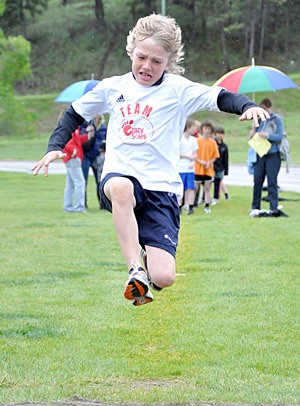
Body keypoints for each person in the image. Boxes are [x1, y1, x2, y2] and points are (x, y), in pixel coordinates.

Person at [32, 13, 269, 307]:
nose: (147, 66)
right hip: (121, 178)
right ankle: (135, 270)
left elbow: (218, 97)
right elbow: (74, 113)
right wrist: (55, 145)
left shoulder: (178, 90)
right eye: (142, 57)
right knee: (121, 187)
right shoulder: (112, 87)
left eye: (156, 61)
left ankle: (148, 266)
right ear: (132, 51)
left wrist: (247, 105)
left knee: (165, 277)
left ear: (168, 62)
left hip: (162, 189)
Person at [249, 98, 287, 218]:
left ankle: (273, 207)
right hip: (261, 154)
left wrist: (267, 135)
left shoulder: (276, 119)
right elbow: (254, 138)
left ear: (269, 108)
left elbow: (280, 136)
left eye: (265, 109)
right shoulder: (259, 121)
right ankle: (255, 207)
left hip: (273, 154)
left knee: (272, 182)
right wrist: (252, 134)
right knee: (257, 181)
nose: (263, 112)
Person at [62, 126, 90, 212]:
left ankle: (68, 206)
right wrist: (73, 150)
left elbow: (77, 141)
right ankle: (79, 207)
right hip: (73, 158)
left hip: (71, 158)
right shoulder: (70, 127)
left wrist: (86, 136)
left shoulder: (75, 128)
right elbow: (67, 141)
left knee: (70, 184)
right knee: (80, 183)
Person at [194, 120, 219, 214]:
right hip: (198, 168)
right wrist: (200, 161)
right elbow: (193, 154)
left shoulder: (213, 142)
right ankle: (191, 205)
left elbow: (215, 155)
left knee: (207, 188)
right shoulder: (197, 141)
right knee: (195, 188)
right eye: (205, 129)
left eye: (209, 129)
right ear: (202, 129)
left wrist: (209, 162)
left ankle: (207, 206)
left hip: (208, 169)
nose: (207, 131)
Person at [177, 118, 198, 215]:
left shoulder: (194, 140)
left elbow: (196, 153)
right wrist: (188, 156)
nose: (195, 129)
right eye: (194, 127)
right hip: (180, 167)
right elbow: (177, 153)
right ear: (188, 127)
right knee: (181, 188)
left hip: (190, 169)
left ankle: (190, 206)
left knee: (190, 187)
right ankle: (179, 206)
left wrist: (193, 162)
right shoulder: (179, 138)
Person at [212, 126, 229, 204]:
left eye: (221, 133)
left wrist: (226, 171)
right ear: (215, 134)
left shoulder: (224, 146)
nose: (220, 135)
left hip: (219, 167)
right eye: (218, 133)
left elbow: (226, 159)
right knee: (206, 183)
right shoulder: (212, 143)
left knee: (217, 183)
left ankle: (216, 198)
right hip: (211, 166)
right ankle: (203, 198)